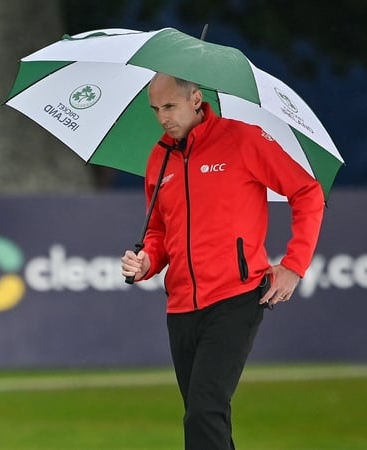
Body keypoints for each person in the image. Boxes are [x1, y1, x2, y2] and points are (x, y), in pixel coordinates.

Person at [120, 73, 324, 450]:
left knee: (205, 411)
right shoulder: (158, 157)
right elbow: (159, 234)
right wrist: (148, 261)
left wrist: (294, 265)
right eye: (155, 109)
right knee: (204, 416)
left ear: (196, 98)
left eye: (169, 106)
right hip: (180, 306)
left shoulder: (243, 139)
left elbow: (307, 191)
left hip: (235, 298)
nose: (162, 117)